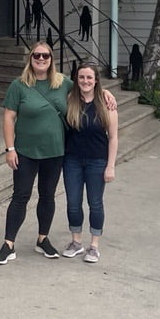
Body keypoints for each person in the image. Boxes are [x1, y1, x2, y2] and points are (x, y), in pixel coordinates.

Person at [0, 42, 71, 265]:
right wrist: (10, 149)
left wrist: (105, 93)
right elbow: (9, 117)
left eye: (45, 55)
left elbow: (87, 90)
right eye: (36, 55)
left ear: (51, 59)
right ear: (30, 58)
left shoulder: (63, 83)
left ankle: (42, 239)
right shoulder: (19, 85)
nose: (41, 58)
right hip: (26, 151)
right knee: (21, 196)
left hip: (55, 151)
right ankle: (8, 244)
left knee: (48, 195)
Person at [61, 63, 119, 264]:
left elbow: (113, 138)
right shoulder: (70, 100)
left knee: (95, 203)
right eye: (81, 77)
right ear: (77, 80)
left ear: (96, 80)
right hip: (72, 160)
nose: (85, 81)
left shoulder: (105, 104)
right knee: (73, 203)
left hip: (97, 161)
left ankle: (94, 246)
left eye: (89, 78)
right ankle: (76, 242)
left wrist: (110, 165)